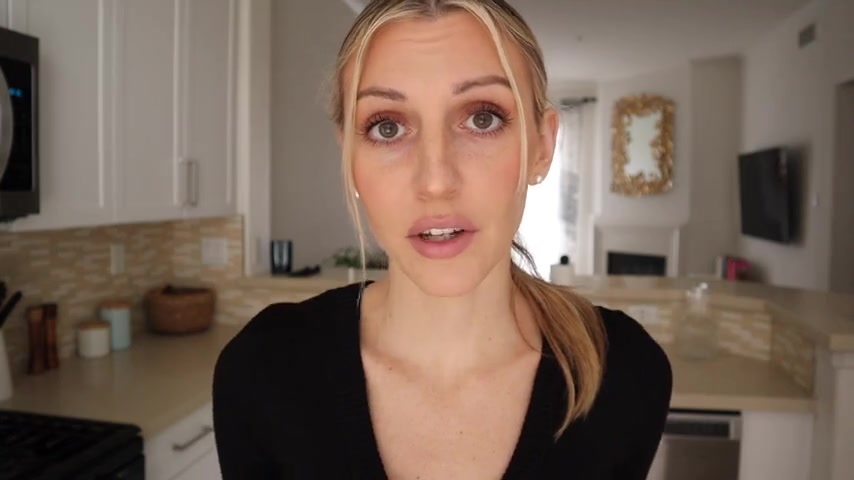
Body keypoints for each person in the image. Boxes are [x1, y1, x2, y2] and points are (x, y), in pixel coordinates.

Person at [213, 1, 672, 478]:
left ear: (542, 147)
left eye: (482, 119)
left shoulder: (623, 374)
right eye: (387, 127)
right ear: (348, 158)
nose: (435, 181)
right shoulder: (263, 372)